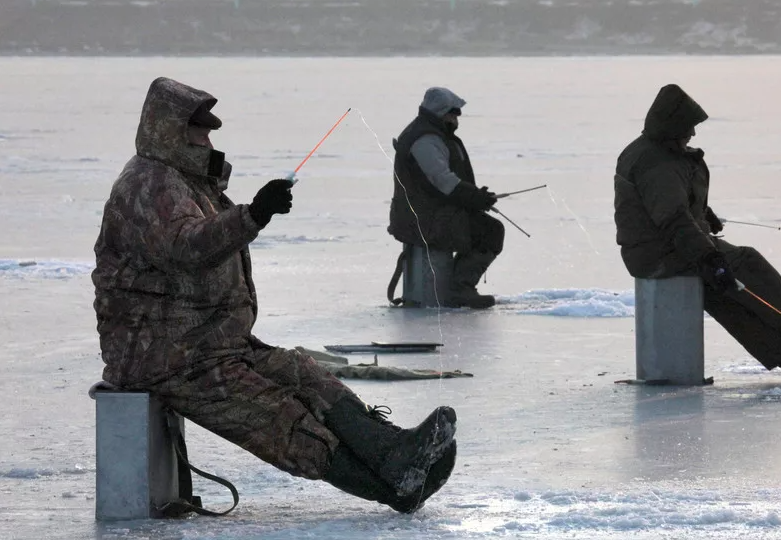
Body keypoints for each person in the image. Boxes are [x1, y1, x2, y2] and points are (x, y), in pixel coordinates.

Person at [92, 77, 457, 513]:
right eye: (200, 131)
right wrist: (254, 213)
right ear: (170, 130)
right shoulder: (148, 185)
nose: (207, 140)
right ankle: (392, 486)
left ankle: (394, 454)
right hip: (165, 358)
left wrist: (250, 213)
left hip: (209, 344)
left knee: (304, 375)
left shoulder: (186, 181)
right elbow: (187, 246)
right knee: (276, 417)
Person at [613, 84, 781, 381]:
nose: (693, 134)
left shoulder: (653, 151)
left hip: (653, 249)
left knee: (720, 291)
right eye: (689, 127)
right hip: (660, 252)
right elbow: (673, 218)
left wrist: (703, 214)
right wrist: (711, 258)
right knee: (744, 263)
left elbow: (668, 205)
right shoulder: (658, 162)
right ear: (673, 125)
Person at [389, 87, 505, 309]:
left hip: (425, 213)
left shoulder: (431, 133)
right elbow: (442, 181)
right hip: (424, 218)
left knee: (483, 227)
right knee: (490, 231)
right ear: (442, 113)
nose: (456, 118)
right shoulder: (426, 139)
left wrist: (476, 197)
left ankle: (459, 287)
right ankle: (460, 289)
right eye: (453, 113)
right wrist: (475, 197)